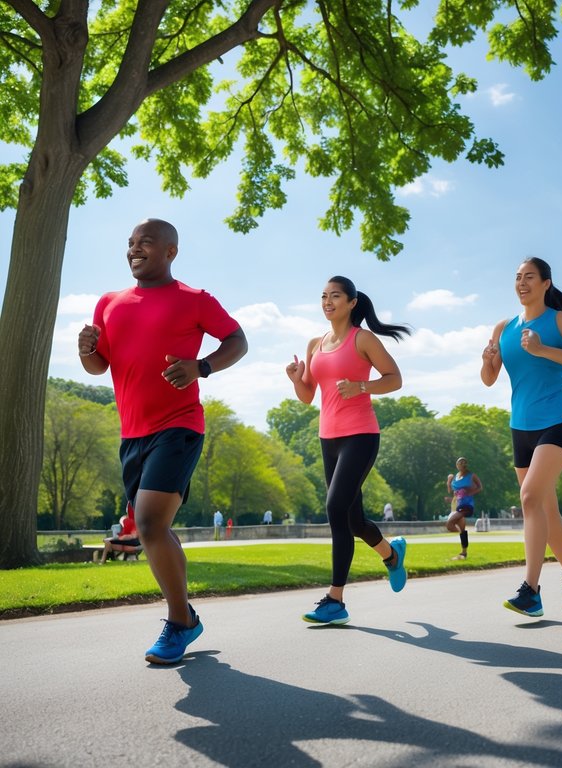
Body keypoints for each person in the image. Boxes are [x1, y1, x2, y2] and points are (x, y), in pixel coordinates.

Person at [78, 217, 248, 664]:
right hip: (132, 434)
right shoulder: (109, 303)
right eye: (130, 243)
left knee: (150, 523)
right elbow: (99, 366)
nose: (134, 249)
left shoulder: (194, 299)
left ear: (171, 251)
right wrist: (86, 350)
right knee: (156, 529)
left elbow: (238, 340)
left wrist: (201, 367)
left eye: (146, 242)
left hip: (180, 424)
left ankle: (179, 622)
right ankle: (186, 616)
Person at [285, 275, 410, 625]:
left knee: (335, 507)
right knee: (353, 520)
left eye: (335, 296)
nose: (328, 302)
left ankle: (335, 600)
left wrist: (362, 386)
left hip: (361, 435)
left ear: (352, 303)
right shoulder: (315, 343)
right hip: (329, 438)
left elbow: (395, 378)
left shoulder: (363, 339)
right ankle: (391, 554)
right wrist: (296, 379)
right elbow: (307, 396)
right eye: (324, 296)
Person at [481, 257, 562, 616]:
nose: (521, 282)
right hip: (521, 427)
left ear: (546, 283)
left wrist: (544, 349)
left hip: (558, 420)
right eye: (517, 277)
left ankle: (531, 590)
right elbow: (489, 379)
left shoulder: (561, 321)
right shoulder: (504, 328)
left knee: (530, 497)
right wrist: (486, 360)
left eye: (529, 277)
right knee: (545, 509)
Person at [445, 457, 483, 560]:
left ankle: (461, 536)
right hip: (457, 505)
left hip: (467, 505)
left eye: (464, 462)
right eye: (460, 462)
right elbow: (452, 492)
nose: (462, 464)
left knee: (449, 524)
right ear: (457, 465)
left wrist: (470, 493)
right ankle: (464, 553)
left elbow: (480, 487)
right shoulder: (455, 477)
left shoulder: (471, 475)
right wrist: (448, 483)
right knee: (462, 529)